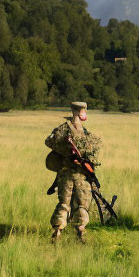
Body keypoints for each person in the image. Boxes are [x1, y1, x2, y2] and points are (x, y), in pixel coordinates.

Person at [45, 101, 102, 243]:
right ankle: (80, 232)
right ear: (77, 112)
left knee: (64, 203)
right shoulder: (83, 133)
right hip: (80, 175)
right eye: (83, 111)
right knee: (82, 204)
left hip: (67, 175)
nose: (84, 114)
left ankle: (58, 230)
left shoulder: (63, 130)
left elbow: (49, 141)